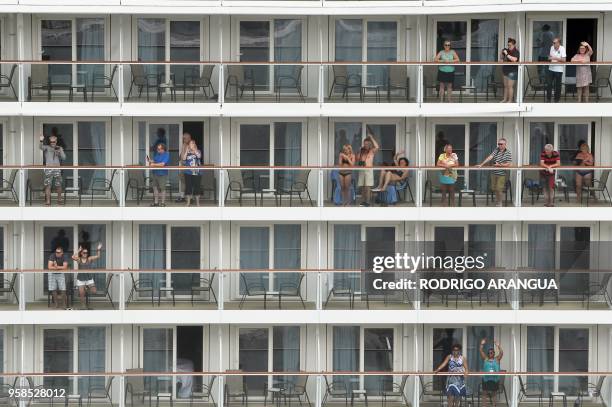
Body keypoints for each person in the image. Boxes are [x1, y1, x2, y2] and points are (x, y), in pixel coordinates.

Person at [477, 138, 512, 207]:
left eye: (501, 144)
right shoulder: (496, 150)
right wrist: (482, 164)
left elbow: (509, 164)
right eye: (498, 144)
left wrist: (499, 165)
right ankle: (498, 201)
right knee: (495, 188)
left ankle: (500, 203)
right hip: (494, 173)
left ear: (505, 144)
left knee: (499, 188)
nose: (499, 145)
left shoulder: (508, 152)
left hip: (502, 174)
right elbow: (490, 157)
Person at [71, 243, 102, 310]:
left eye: (86, 253)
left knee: (94, 291)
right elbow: (73, 257)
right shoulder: (79, 259)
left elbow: (98, 256)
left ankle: (86, 287)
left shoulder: (89, 258)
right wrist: (78, 250)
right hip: (81, 279)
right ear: (81, 253)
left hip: (89, 278)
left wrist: (98, 249)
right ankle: (83, 305)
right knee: (81, 294)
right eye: (84, 252)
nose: (85, 254)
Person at [39, 134, 66, 206]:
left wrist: (59, 153)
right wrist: (41, 140)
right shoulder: (47, 147)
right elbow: (40, 147)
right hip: (48, 169)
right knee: (48, 185)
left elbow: (64, 158)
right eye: (51, 142)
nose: (52, 143)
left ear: (56, 141)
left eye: (54, 142)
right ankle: (48, 201)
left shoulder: (59, 148)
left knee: (59, 185)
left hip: (57, 168)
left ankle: (59, 200)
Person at [357, 132, 379, 207]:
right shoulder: (362, 150)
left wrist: (372, 138)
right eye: (365, 144)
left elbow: (377, 147)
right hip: (362, 169)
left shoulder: (372, 151)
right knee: (362, 186)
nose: (366, 145)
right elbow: (357, 159)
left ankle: (368, 202)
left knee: (368, 186)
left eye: (367, 144)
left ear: (370, 144)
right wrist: (359, 151)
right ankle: (363, 201)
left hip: (369, 170)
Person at [479, 339, 503, 407]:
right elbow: (481, 351)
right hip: (486, 379)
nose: (490, 354)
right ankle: (484, 406)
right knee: (484, 393)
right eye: (489, 353)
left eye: (492, 352)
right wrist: (482, 344)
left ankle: (494, 405)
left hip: (494, 379)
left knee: (494, 393)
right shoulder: (486, 359)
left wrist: (498, 345)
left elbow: (501, 353)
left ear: (494, 353)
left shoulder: (497, 359)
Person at [182, 139, 202, 207]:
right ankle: (188, 203)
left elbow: (199, 156)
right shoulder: (187, 152)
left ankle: (198, 203)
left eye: (192, 143)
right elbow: (184, 159)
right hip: (188, 172)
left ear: (194, 144)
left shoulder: (198, 151)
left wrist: (194, 150)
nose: (191, 145)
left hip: (197, 172)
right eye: (190, 144)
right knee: (188, 187)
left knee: (197, 187)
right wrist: (187, 151)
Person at [547, 38, 566, 103]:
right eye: (553, 42)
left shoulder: (562, 48)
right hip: (551, 68)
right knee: (549, 84)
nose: (553, 44)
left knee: (557, 85)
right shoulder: (552, 47)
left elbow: (564, 60)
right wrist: (549, 58)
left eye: (555, 43)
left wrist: (555, 58)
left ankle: (556, 100)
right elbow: (550, 57)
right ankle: (548, 99)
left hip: (559, 69)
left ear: (558, 43)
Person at [500, 38, 520, 103]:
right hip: (505, 70)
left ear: (514, 45)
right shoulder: (506, 50)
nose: (509, 47)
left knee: (510, 86)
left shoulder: (516, 51)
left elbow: (514, 60)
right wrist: (501, 53)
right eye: (508, 45)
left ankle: (510, 100)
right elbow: (501, 59)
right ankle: (505, 99)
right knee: (505, 86)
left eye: (510, 45)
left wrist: (507, 54)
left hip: (513, 71)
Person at [176, 132, 192, 203]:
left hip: (189, 167)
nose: (183, 140)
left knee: (190, 183)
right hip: (183, 167)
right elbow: (181, 157)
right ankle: (182, 197)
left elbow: (187, 157)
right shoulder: (184, 145)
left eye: (185, 138)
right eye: (183, 138)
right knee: (183, 182)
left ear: (189, 138)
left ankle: (190, 198)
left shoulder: (191, 145)